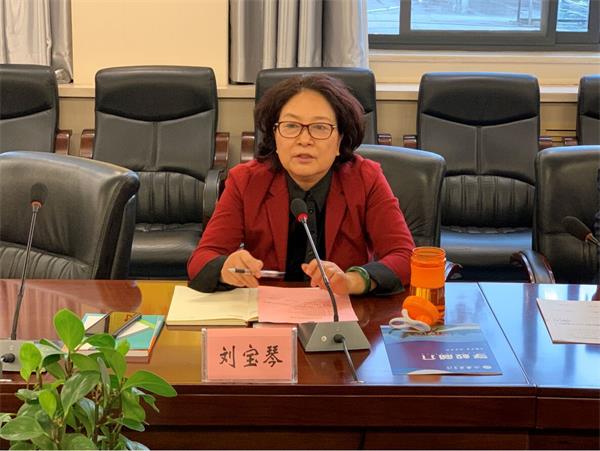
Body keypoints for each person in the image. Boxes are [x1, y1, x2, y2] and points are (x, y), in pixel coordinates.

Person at [188, 74, 415, 295]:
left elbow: (405, 256)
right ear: (275, 136)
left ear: (340, 140)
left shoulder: (365, 178)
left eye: (320, 127)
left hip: (343, 310)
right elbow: (201, 259)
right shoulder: (246, 181)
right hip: (268, 308)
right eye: (291, 126)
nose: (304, 140)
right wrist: (225, 268)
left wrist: (353, 281)